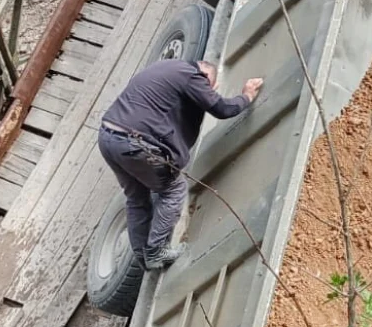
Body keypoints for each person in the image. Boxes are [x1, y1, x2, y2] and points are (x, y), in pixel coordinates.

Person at [98, 59, 263, 269]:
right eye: (209, 86)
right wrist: (246, 95)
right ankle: (156, 252)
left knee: (137, 198)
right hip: (135, 144)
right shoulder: (191, 75)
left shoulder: (167, 68)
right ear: (206, 76)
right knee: (173, 190)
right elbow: (221, 108)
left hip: (108, 137)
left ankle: (144, 258)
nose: (207, 89)